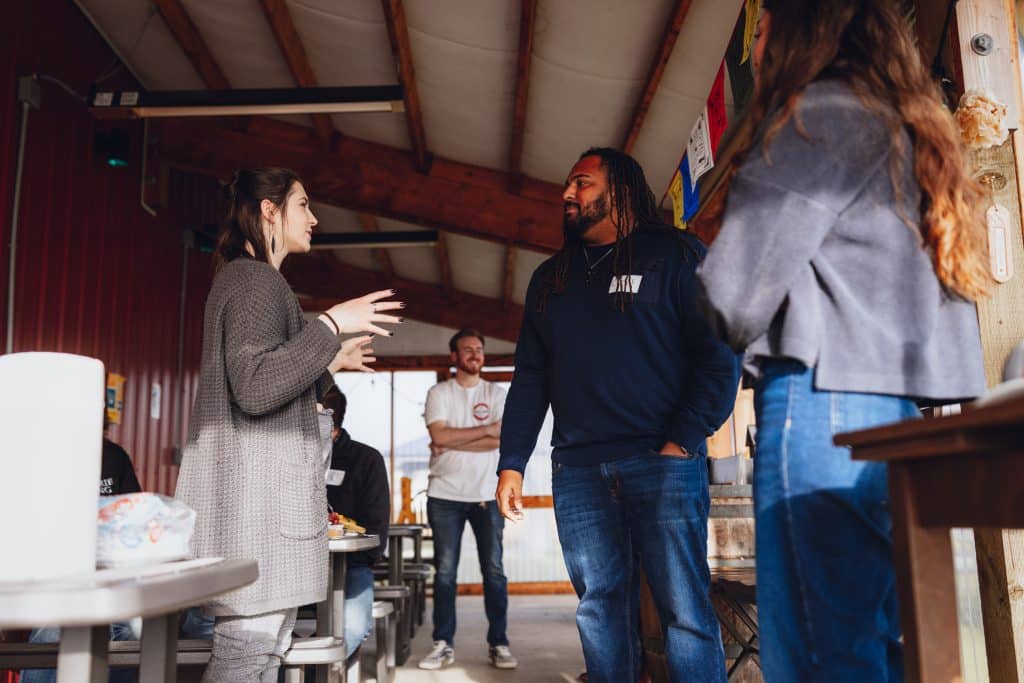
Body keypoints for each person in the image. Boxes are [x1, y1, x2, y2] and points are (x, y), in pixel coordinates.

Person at [696, 1, 990, 680]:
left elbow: (730, 291)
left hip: (821, 404)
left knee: (817, 650)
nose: (756, 43)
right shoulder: (903, 125)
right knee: (870, 640)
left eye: (764, 25)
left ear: (806, 29)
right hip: (895, 418)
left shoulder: (819, 118)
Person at [496, 148, 742, 683]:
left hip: (663, 461)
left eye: (581, 183)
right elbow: (531, 377)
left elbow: (721, 354)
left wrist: (681, 441)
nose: (567, 194)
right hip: (579, 470)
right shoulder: (550, 280)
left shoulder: (678, 255)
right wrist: (511, 462)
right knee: (599, 610)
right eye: (568, 186)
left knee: (684, 611)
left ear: (622, 191)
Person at [175, 167, 403, 682]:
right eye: (303, 205)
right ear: (269, 211)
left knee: (262, 653)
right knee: (248, 655)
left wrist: (330, 362)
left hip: (256, 510)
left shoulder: (247, 279)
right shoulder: (257, 281)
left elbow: (267, 380)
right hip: (255, 512)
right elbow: (255, 386)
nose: (314, 218)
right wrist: (330, 325)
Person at [419, 329, 516, 671]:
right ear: (454, 357)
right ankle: (443, 643)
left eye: (479, 349)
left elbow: (502, 438)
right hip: (444, 495)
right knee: (445, 573)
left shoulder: (497, 392)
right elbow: (438, 434)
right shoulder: (439, 392)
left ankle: (499, 644)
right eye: (468, 350)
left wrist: (454, 441)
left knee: (494, 572)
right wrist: (486, 431)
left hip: (487, 496)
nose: (475, 354)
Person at [21, 435, 142, 683]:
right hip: (58, 575)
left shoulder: (114, 457)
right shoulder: (43, 458)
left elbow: (134, 517)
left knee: (132, 630)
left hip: (109, 573)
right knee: (53, 629)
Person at [321, 386, 390, 658]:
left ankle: (313, 676)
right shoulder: (290, 459)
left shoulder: (366, 460)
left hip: (351, 567)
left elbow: (376, 531)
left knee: (353, 627)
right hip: (293, 568)